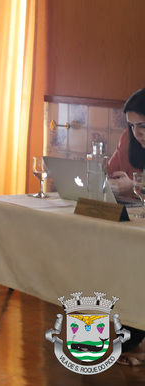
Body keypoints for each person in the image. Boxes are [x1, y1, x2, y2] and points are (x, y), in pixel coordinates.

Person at [105, 89, 145, 364]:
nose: (137, 132)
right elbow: (108, 173)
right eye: (131, 126)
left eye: (142, 125)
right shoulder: (128, 140)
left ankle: (133, 335)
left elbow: (134, 186)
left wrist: (135, 186)